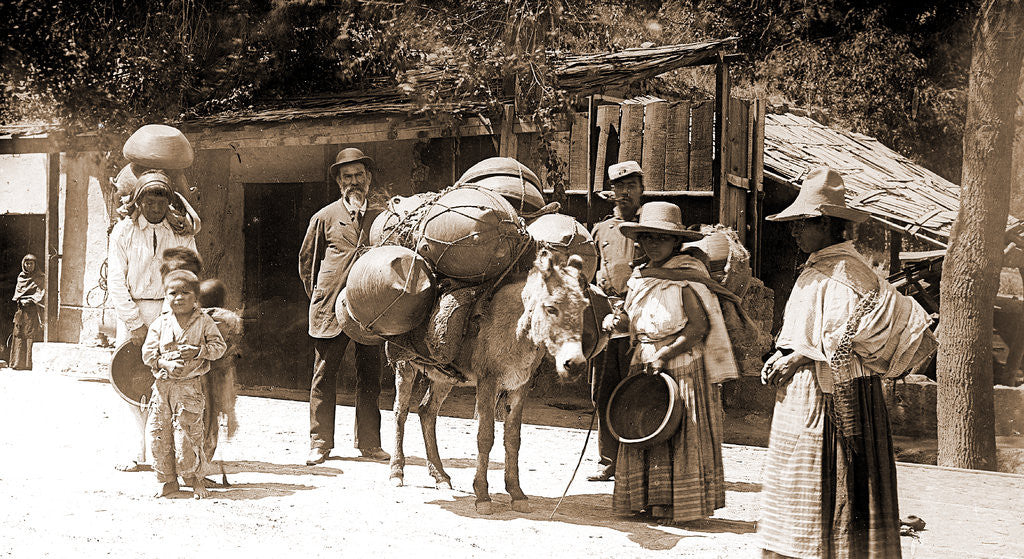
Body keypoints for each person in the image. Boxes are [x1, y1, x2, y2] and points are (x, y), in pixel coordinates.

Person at [759, 167, 936, 558]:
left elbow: (841, 339)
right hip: (806, 389)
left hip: (834, 396)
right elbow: (809, 330)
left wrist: (797, 359)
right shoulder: (819, 268)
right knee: (796, 482)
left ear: (826, 225)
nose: (794, 233)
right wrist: (783, 354)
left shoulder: (845, 273)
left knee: (831, 479)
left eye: (801, 224)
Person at [611, 201, 739, 524]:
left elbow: (699, 328)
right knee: (643, 427)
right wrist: (617, 322)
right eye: (648, 238)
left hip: (680, 366)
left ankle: (674, 505)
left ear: (676, 242)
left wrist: (664, 355)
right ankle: (646, 500)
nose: (654, 245)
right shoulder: (638, 279)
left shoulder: (687, 278)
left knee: (679, 432)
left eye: (661, 238)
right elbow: (633, 321)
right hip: (644, 362)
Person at [299, 147, 389, 466]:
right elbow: (307, 264)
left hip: (370, 311)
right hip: (330, 310)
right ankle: (320, 442)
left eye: (359, 176)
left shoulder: (382, 218)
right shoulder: (324, 217)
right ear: (339, 181)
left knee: (370, 376)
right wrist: (323, 297)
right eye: (347, 176)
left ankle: (369, 443)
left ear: (368, 178)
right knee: (324, 375)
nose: (354, 182)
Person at [108, 170, 199, 472]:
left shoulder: (181, 233)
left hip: (170, 312)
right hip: (134, 310)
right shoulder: (124, 232)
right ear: (138, 200)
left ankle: (168, 454)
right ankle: (136, 451)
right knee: (131, 381)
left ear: (169, 201)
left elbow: (190, 273)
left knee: (170, 379)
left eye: (162, 199)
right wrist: (134, 322)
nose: (156, 206)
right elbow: (116, 281)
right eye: (149, 198)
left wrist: (179, 315)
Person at [142, 269, 226, 498]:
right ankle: (167, 480)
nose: (178, 298)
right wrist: (163, 364)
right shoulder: (160, 323)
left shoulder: (204, 322)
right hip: (162, 388)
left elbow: (220, 348)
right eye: (173, 293)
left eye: (185, 293)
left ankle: (195, 479)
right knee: (159, 433)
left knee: (188, 434)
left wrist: (199, 351)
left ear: (196, 296)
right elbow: (147, 354)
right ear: (165, 296)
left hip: (190, 388)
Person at [587, 160, 644, 481]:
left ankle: (633, 459)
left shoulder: (649, 226)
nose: (624, 193)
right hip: (605, 323)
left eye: (631, 186)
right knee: (602, 391)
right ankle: (608, 460)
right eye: (619, 187)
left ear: (641, 190)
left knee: (634, 391)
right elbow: (590, 275)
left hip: (638, 322)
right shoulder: (601, 230)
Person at [197, 278, 242, 465]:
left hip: (198, 374)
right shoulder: (231, 320)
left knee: (200, 418)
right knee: (214, 418)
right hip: (221, 374)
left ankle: (194, 462)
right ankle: (204, 461)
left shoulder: (195, 318)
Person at [10, 254, 44, 370]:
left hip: (32, 311)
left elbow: (40, 293)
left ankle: (28, 364)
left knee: (30, 334)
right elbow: (17, 294)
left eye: (31, 263)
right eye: (27, 263)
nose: (29, 266)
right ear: (24, 264)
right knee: (19, 333)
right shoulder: (21, 277)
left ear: (35, 264)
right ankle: (17, 363)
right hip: (21, 311)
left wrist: (31, 300)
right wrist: (21, 300)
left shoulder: (40, 277)